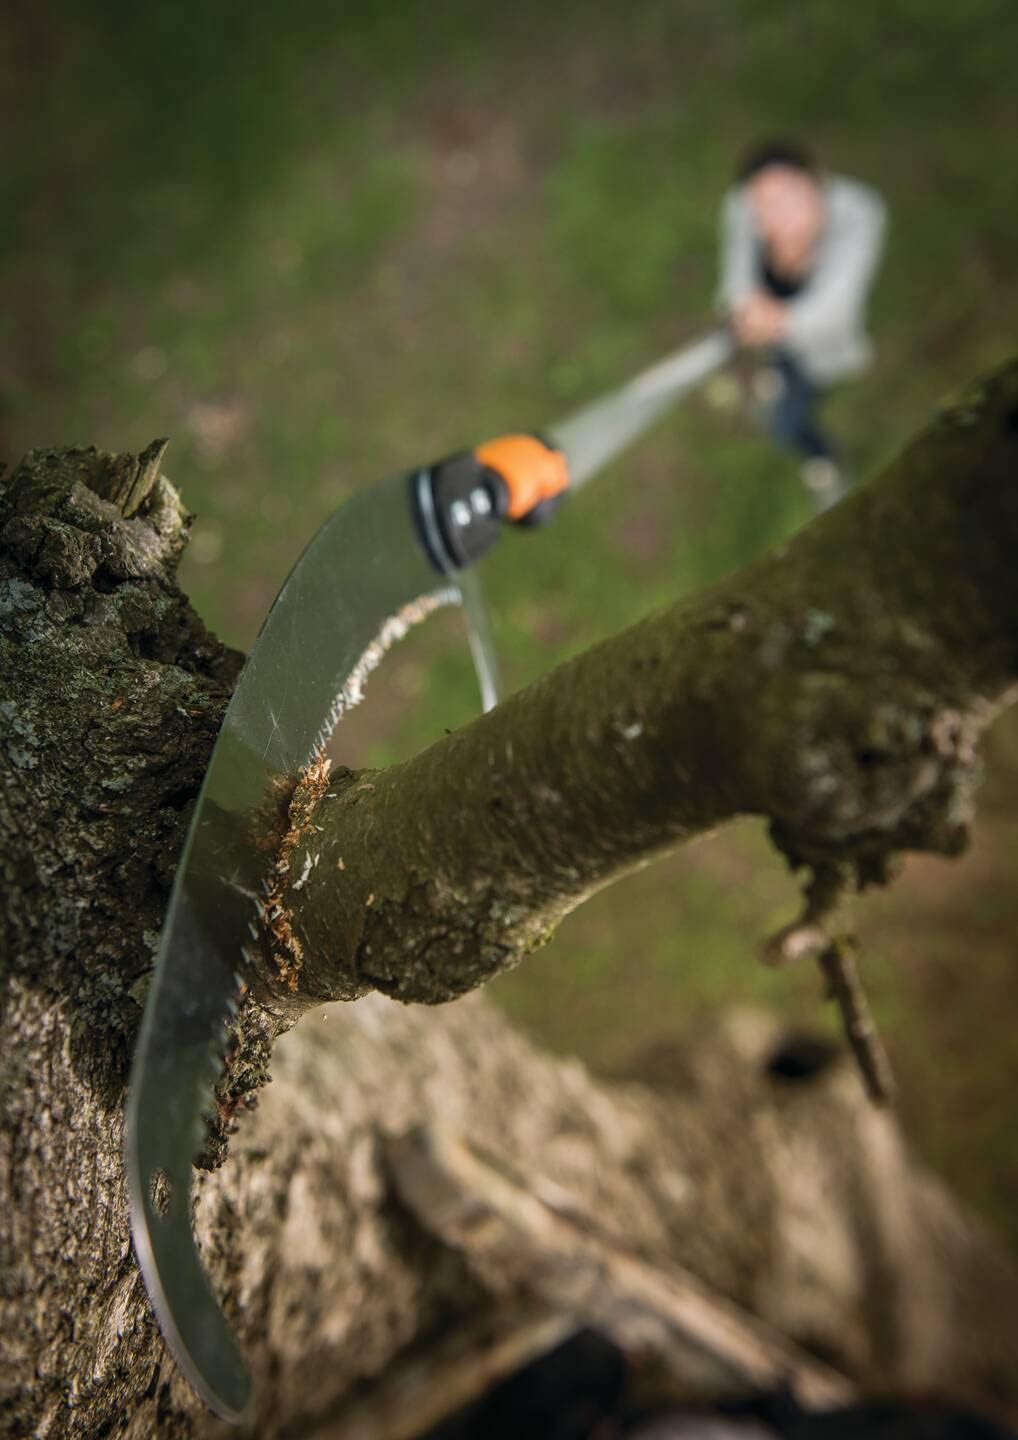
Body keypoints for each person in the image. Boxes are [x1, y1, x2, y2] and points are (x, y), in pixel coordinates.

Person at [717, 141, 886, 510]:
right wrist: (743, 306)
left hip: (820, 350)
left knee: (784, 425)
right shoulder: (740, 207)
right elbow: (737, 272)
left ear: (816, 182)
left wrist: (778, 322)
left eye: (790, 196)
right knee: (777, 367)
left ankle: (824, 460)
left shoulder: (859, 213)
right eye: (765, 208)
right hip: (775, 335)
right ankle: (775, 374)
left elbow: (836, 311)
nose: (778, 217)